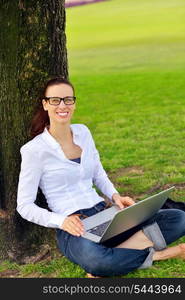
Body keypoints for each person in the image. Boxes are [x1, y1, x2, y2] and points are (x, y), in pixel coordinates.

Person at [17, 77, 185, 277]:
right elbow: (24, 206)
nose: (62, 105)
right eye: (55, 100)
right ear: (45, 104)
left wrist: (115, 196)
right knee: (96, 260)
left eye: (68, 99)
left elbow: (98, 172)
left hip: (106, 214)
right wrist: (61, 221)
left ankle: (118, 254)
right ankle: (160, 255)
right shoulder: (33, 150)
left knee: (178, 218)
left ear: (74, 103)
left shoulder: (83, 132)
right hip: (75, 228)